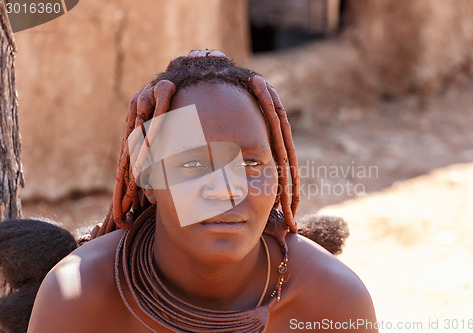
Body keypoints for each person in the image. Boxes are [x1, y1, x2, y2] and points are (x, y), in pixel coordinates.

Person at [27, 50, 378, 332]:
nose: (226, 190)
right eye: (194, 165)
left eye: (251, 165)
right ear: (149, 181)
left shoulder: (332, 302)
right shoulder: (80, 296)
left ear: (278, 180)